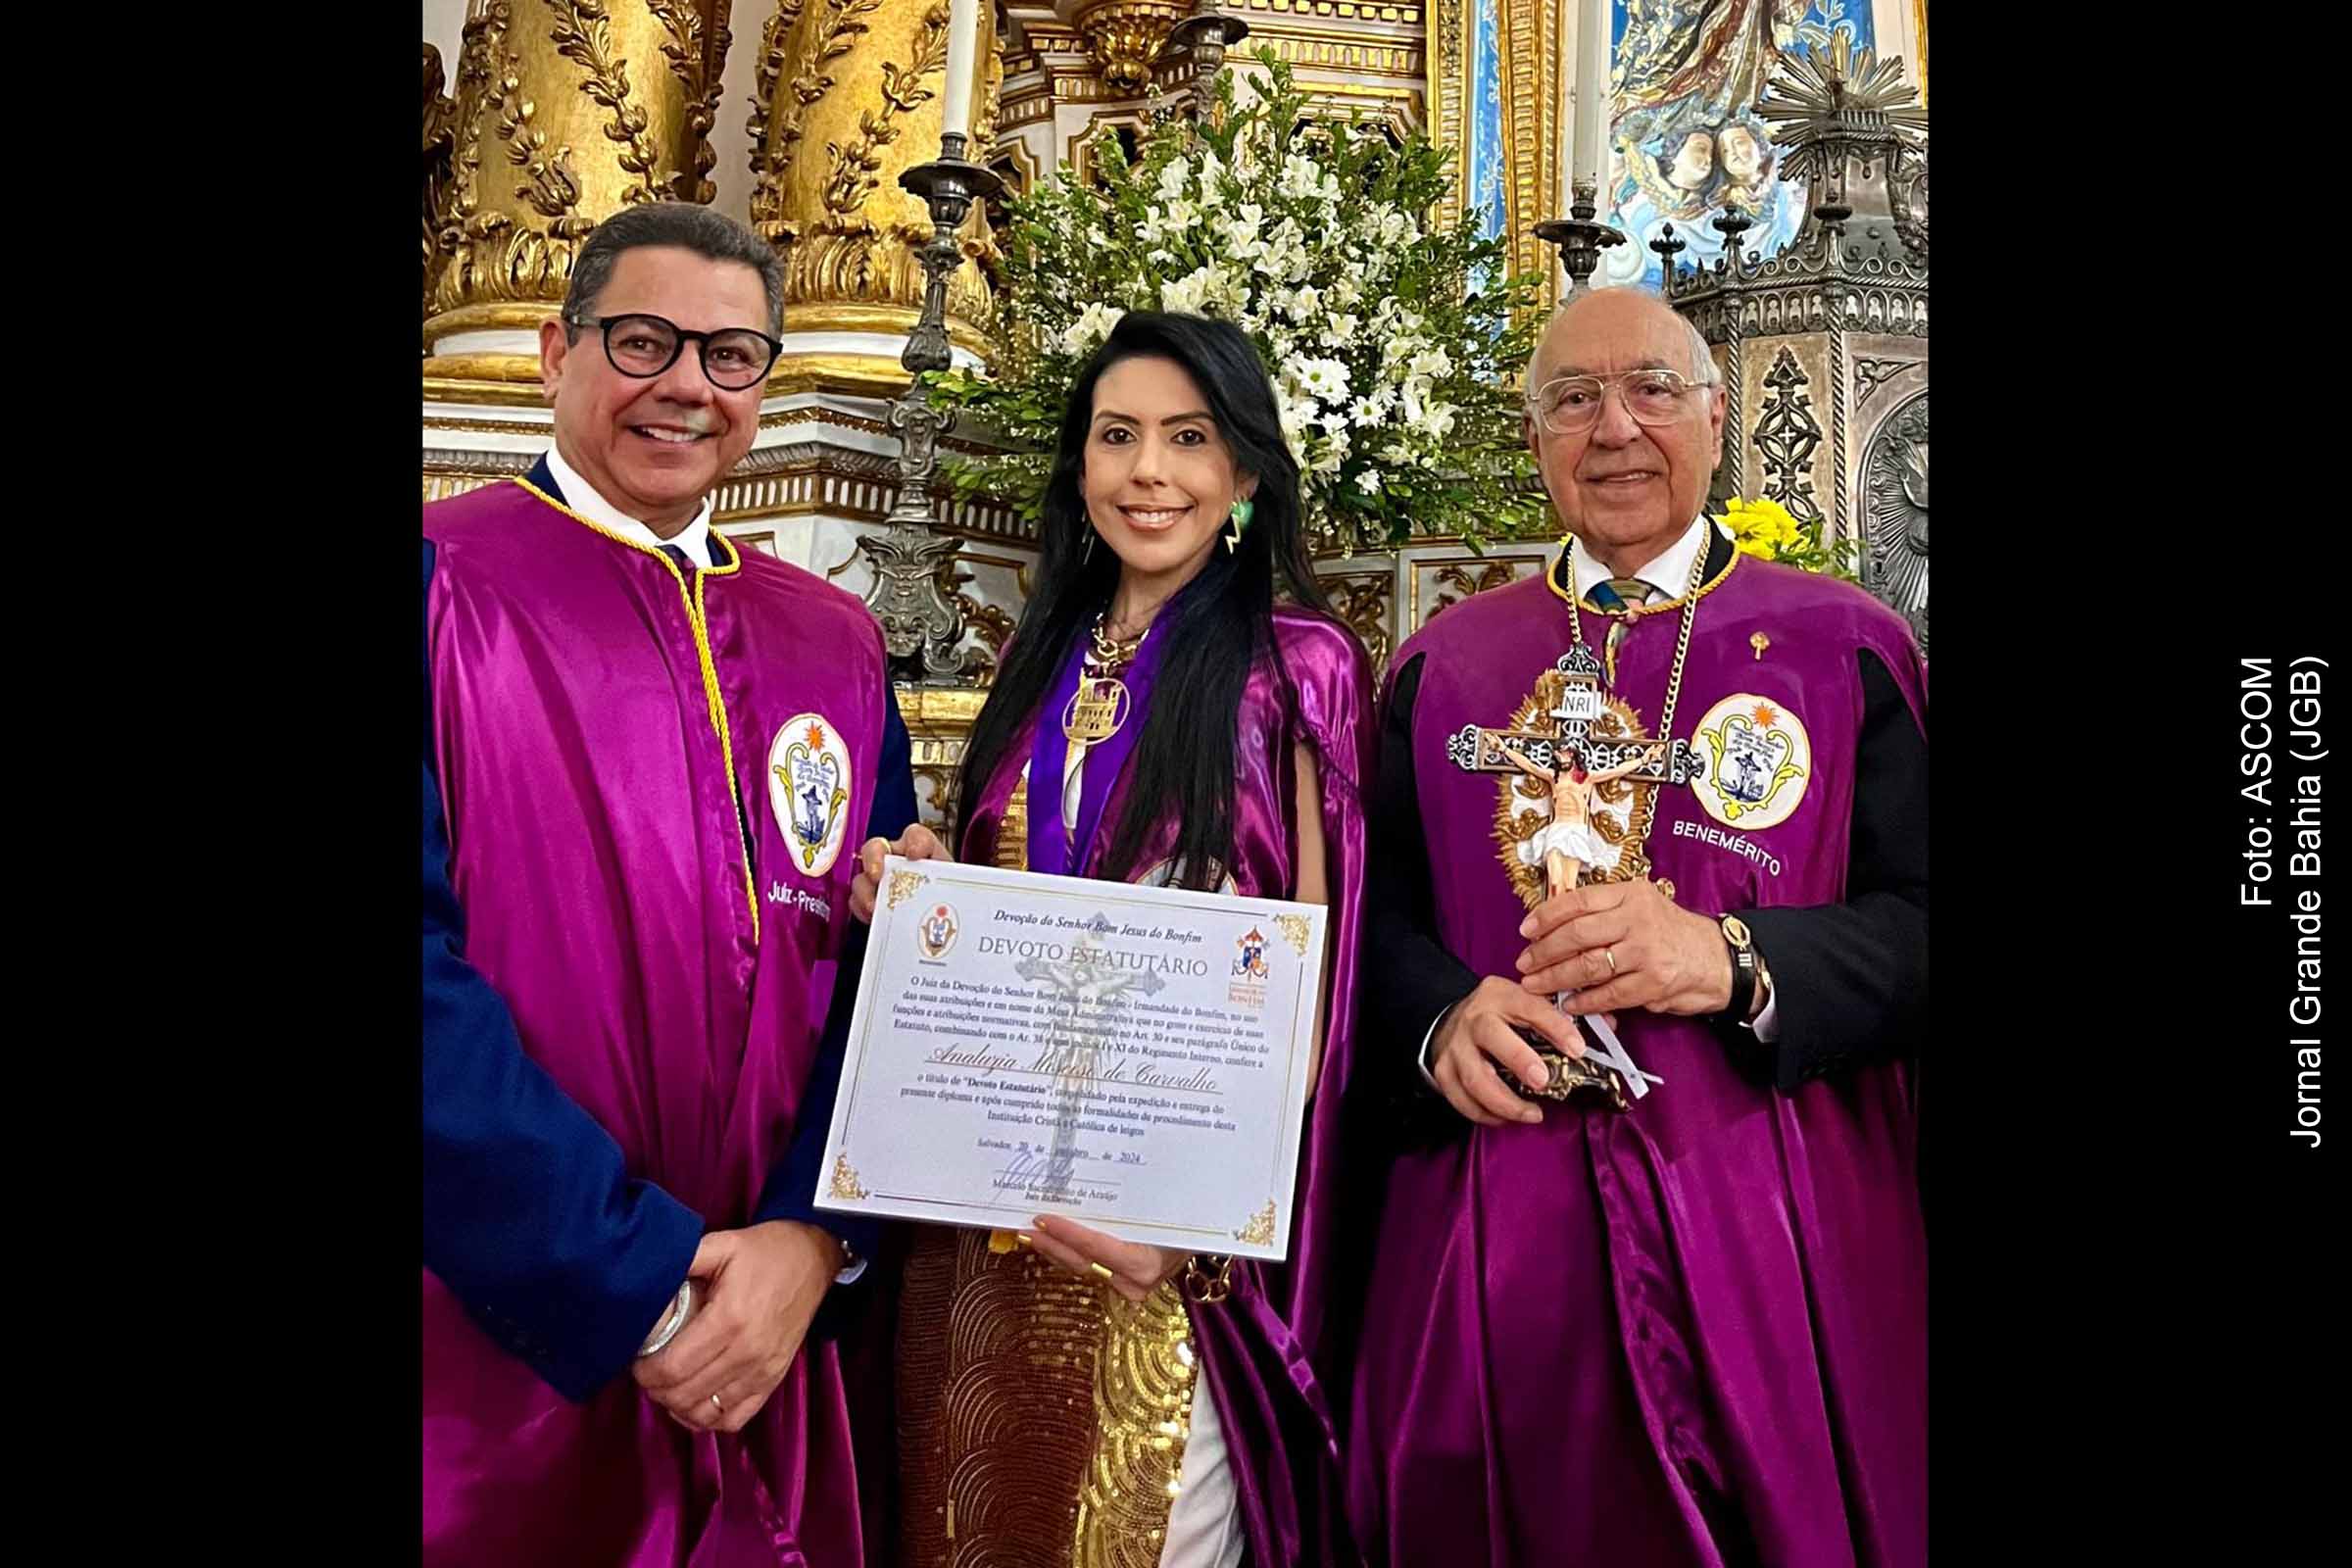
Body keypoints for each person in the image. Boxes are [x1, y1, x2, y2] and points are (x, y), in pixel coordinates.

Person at [1348, 287, 1928, 1566]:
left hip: (1779, 1233)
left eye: (1652, 390)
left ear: (1718, 420)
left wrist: (1735, 959)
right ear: (1534, 438)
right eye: (1574, 400)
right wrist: (1439, 1016)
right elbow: (1369, 924)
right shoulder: (1445, 668)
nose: (1615, 427)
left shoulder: (1846, 650)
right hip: (1498, 1241)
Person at [422, 201, 916, 1566]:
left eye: (731, 355)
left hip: (774, 1346)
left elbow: (883, 977)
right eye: (644, 341)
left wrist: (814, 1237)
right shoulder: (441, 582)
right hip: (494, 1345)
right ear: (555, 351)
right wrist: (634, 1280)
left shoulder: (835, 639)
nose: (688, 385)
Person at [854, 310, 1374, 1568]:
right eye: (1118, 435)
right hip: (980, 1218)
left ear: (1244, 472)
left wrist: (1205, 1221)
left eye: (1188, 439)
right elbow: (1006, 898)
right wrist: (918, 888)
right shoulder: (1037, 658)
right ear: (1079, 465)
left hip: (1164, 1242)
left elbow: (1320, 976)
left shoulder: (1297, 666)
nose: (1149, 471)